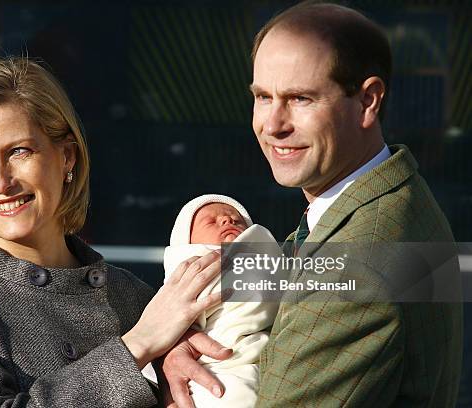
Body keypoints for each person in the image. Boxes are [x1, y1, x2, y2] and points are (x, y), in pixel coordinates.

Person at [161, 2, 463, 407]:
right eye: (263, 97)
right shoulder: (386, 197)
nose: (273, 125)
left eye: (300, 98)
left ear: (368, 101)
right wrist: (178, 340)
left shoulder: (361, 259)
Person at [0, 57, 226, 407]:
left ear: (67, 157)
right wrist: (137, 347)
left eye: (19, 151)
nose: (0, 182)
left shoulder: (137, 297)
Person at [162, 194, 279, 408]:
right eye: (211, 221)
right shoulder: (186, 276)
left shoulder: (271, 261)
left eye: (237, 220)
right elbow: (165, 324)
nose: (227, 220)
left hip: (266, 361)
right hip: (218, 368)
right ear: (186, 243)